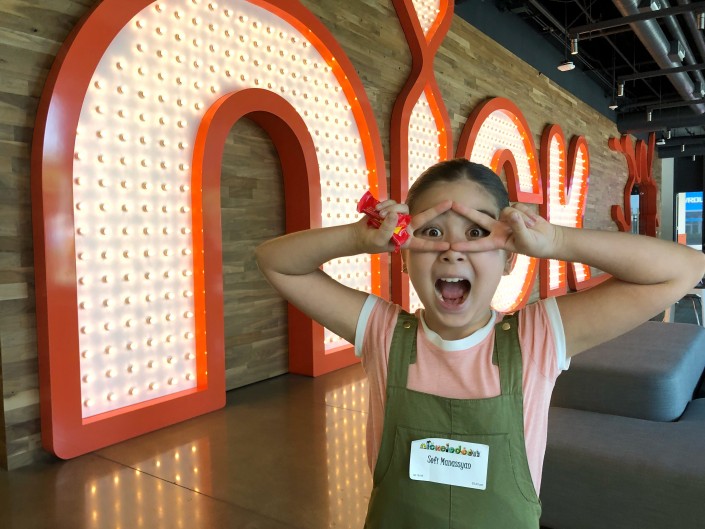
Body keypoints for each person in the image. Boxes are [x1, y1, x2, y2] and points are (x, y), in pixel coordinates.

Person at [255, 158, 705, 528]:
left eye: (476, 232)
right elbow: (275, 261)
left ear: (509, 258)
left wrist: (556, 239)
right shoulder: (382, 332)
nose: (453, 249)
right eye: (432, 232)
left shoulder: (537, 337)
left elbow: (684, 269)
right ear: (404, 253)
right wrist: (358, 236)